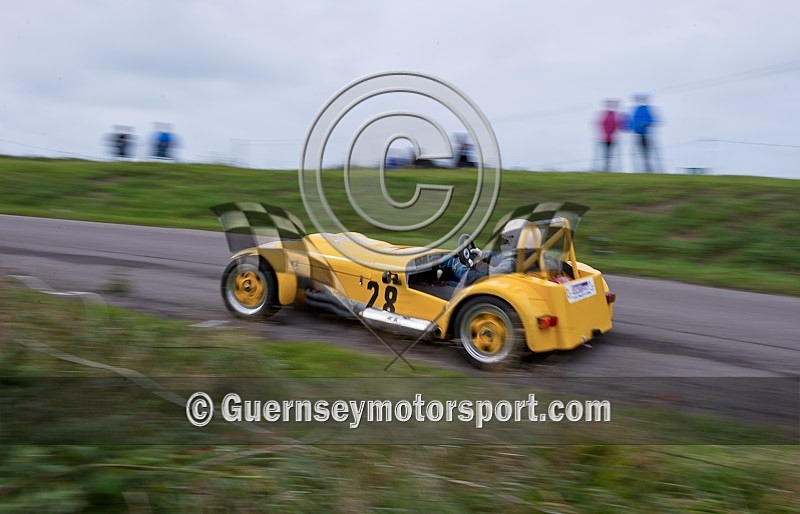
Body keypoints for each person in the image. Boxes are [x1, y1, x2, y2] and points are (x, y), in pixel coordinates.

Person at [441, 219, 541, 286]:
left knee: (447, 285)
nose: (504, 242)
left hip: (490, 291)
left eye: (507, 240)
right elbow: (500, 257)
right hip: (512, 287)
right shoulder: (533, 257)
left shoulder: (511, 264)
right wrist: (483, 256)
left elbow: (479, 279)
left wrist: (456, 266)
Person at [630, 94, 658, 172]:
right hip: (637, 134)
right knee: (638, 153)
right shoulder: (636, 110)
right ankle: (639, 169)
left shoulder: (646, 109)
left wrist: (645, 124)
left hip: (646, 134)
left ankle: (648, 169)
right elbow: (632, 121)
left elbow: (651, 121)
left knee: (647, 153)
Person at [596, 99, 624, 171]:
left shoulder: (616, 115)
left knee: (610, 154)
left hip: (612, 139)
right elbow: (601, 125)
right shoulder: (605, 115)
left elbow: (619, 125)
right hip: (605, 138)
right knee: (605, 154)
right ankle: (605, 168)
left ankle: (610, 169)